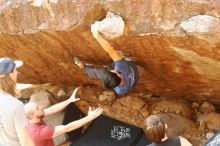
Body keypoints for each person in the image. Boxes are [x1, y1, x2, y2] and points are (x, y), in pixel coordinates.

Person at [74, 22, 138, 95]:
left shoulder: (120, 91)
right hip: (131, 68)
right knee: (103, 74)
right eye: (112, 72)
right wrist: (97, 36)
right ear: (119, 75)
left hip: (133, 79)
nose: (112, 70)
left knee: (103, 74)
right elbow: (111, 51)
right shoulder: (122, 66)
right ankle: (83, 67)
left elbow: (111, 80)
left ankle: (82, 66)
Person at [24, 87, 103, 146]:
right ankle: (74, 138)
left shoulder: (33, 117)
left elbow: (52, 109)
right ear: (32, 115)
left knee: (71, 106)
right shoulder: (39, 132)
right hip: (64, 135)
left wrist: (69, 100)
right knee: (72, 132)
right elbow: (67, 128)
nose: (41, 107)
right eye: (37, 108)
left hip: (50, 140)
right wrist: (89, 118)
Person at [0, 57, 34, 146]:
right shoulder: (15, 105)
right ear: (10, 74)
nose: (17, 73)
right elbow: (26, 142)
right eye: (15, 70)